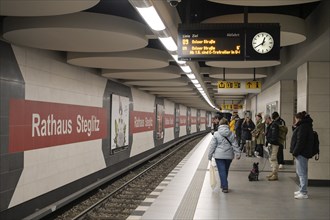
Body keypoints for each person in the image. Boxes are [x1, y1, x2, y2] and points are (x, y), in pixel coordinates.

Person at [208, 118, 241, 193]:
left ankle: (225, 186)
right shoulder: (231, 133)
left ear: (220, 124)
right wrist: (238, 153)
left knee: (222, 171)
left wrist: (209, 155)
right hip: (229, 156)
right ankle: (223, 184)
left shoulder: (216, 134)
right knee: (225, 170)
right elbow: (235, 144)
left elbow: (212, 146)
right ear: (227, 124)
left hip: (219, 156)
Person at [290, 111, 314, 199]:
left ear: (299, 119)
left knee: (302, 172)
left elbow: (300, 141)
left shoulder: (303, 127)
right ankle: (301, 189)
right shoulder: (304, 126)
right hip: (303, 152)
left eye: (296, 119)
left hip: (302, 153)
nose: (295, 121)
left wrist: (295, 152)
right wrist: (295, 127)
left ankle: (303, 192)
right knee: (301, 172)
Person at [265, 114, 281, 181]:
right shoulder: (270, 125)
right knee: (271, 159)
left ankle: (275, 174)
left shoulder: (274, 125)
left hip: (274, 144)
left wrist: (270, 141)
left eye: (266, 120)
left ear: (268, 118)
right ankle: (273, 173)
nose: (265, 122)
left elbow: (274, 136)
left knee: (273, 159)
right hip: (270, 144)